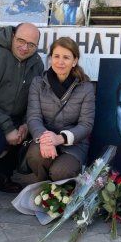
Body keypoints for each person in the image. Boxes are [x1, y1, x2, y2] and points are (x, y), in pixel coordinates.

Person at [0, 23, 44, 195]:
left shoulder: (37, 64)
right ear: (12, 36)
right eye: (20, 40)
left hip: (17, 118)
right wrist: (7, 128)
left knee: (31, 137)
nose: (25, 48)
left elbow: (35, 99)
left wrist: (27, 124)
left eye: (31, 45)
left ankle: (0, 174)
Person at [25, 37, 95, 181]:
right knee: (35, 157)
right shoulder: (38, 83)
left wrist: (60, 138)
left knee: (61, 172)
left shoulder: (86, 87)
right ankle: (43, 186)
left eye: (66, 57)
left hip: (74, 144)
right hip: (44, 138)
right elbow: (33, 117)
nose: (60, 62)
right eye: (56, 56)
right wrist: (46, 139)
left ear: (74, 61)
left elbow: (86, 125)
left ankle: (59, 191)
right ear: (50, 58)